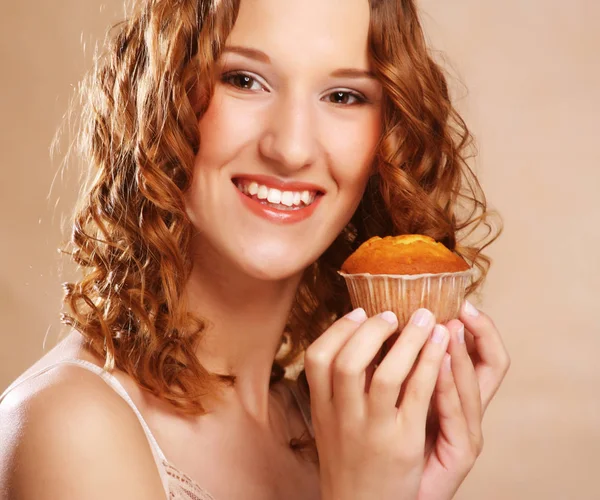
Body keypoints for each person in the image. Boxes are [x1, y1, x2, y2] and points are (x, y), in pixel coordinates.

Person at [0, 0, 510, 498]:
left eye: (343, 96)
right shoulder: (71, 428)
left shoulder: (337, 434)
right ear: (161, 97)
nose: (290, 148)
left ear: (387, 139)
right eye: (244, 80)